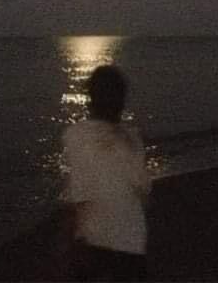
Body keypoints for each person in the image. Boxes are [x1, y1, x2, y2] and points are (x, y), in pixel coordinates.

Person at [60, 65, 150, 281]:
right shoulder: (133, 139)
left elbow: (80, 193)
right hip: (132, 240)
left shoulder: (75, 135)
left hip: (95, 240)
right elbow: (144, 190)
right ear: (122, 101)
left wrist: (70, 239)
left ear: (90, 98)